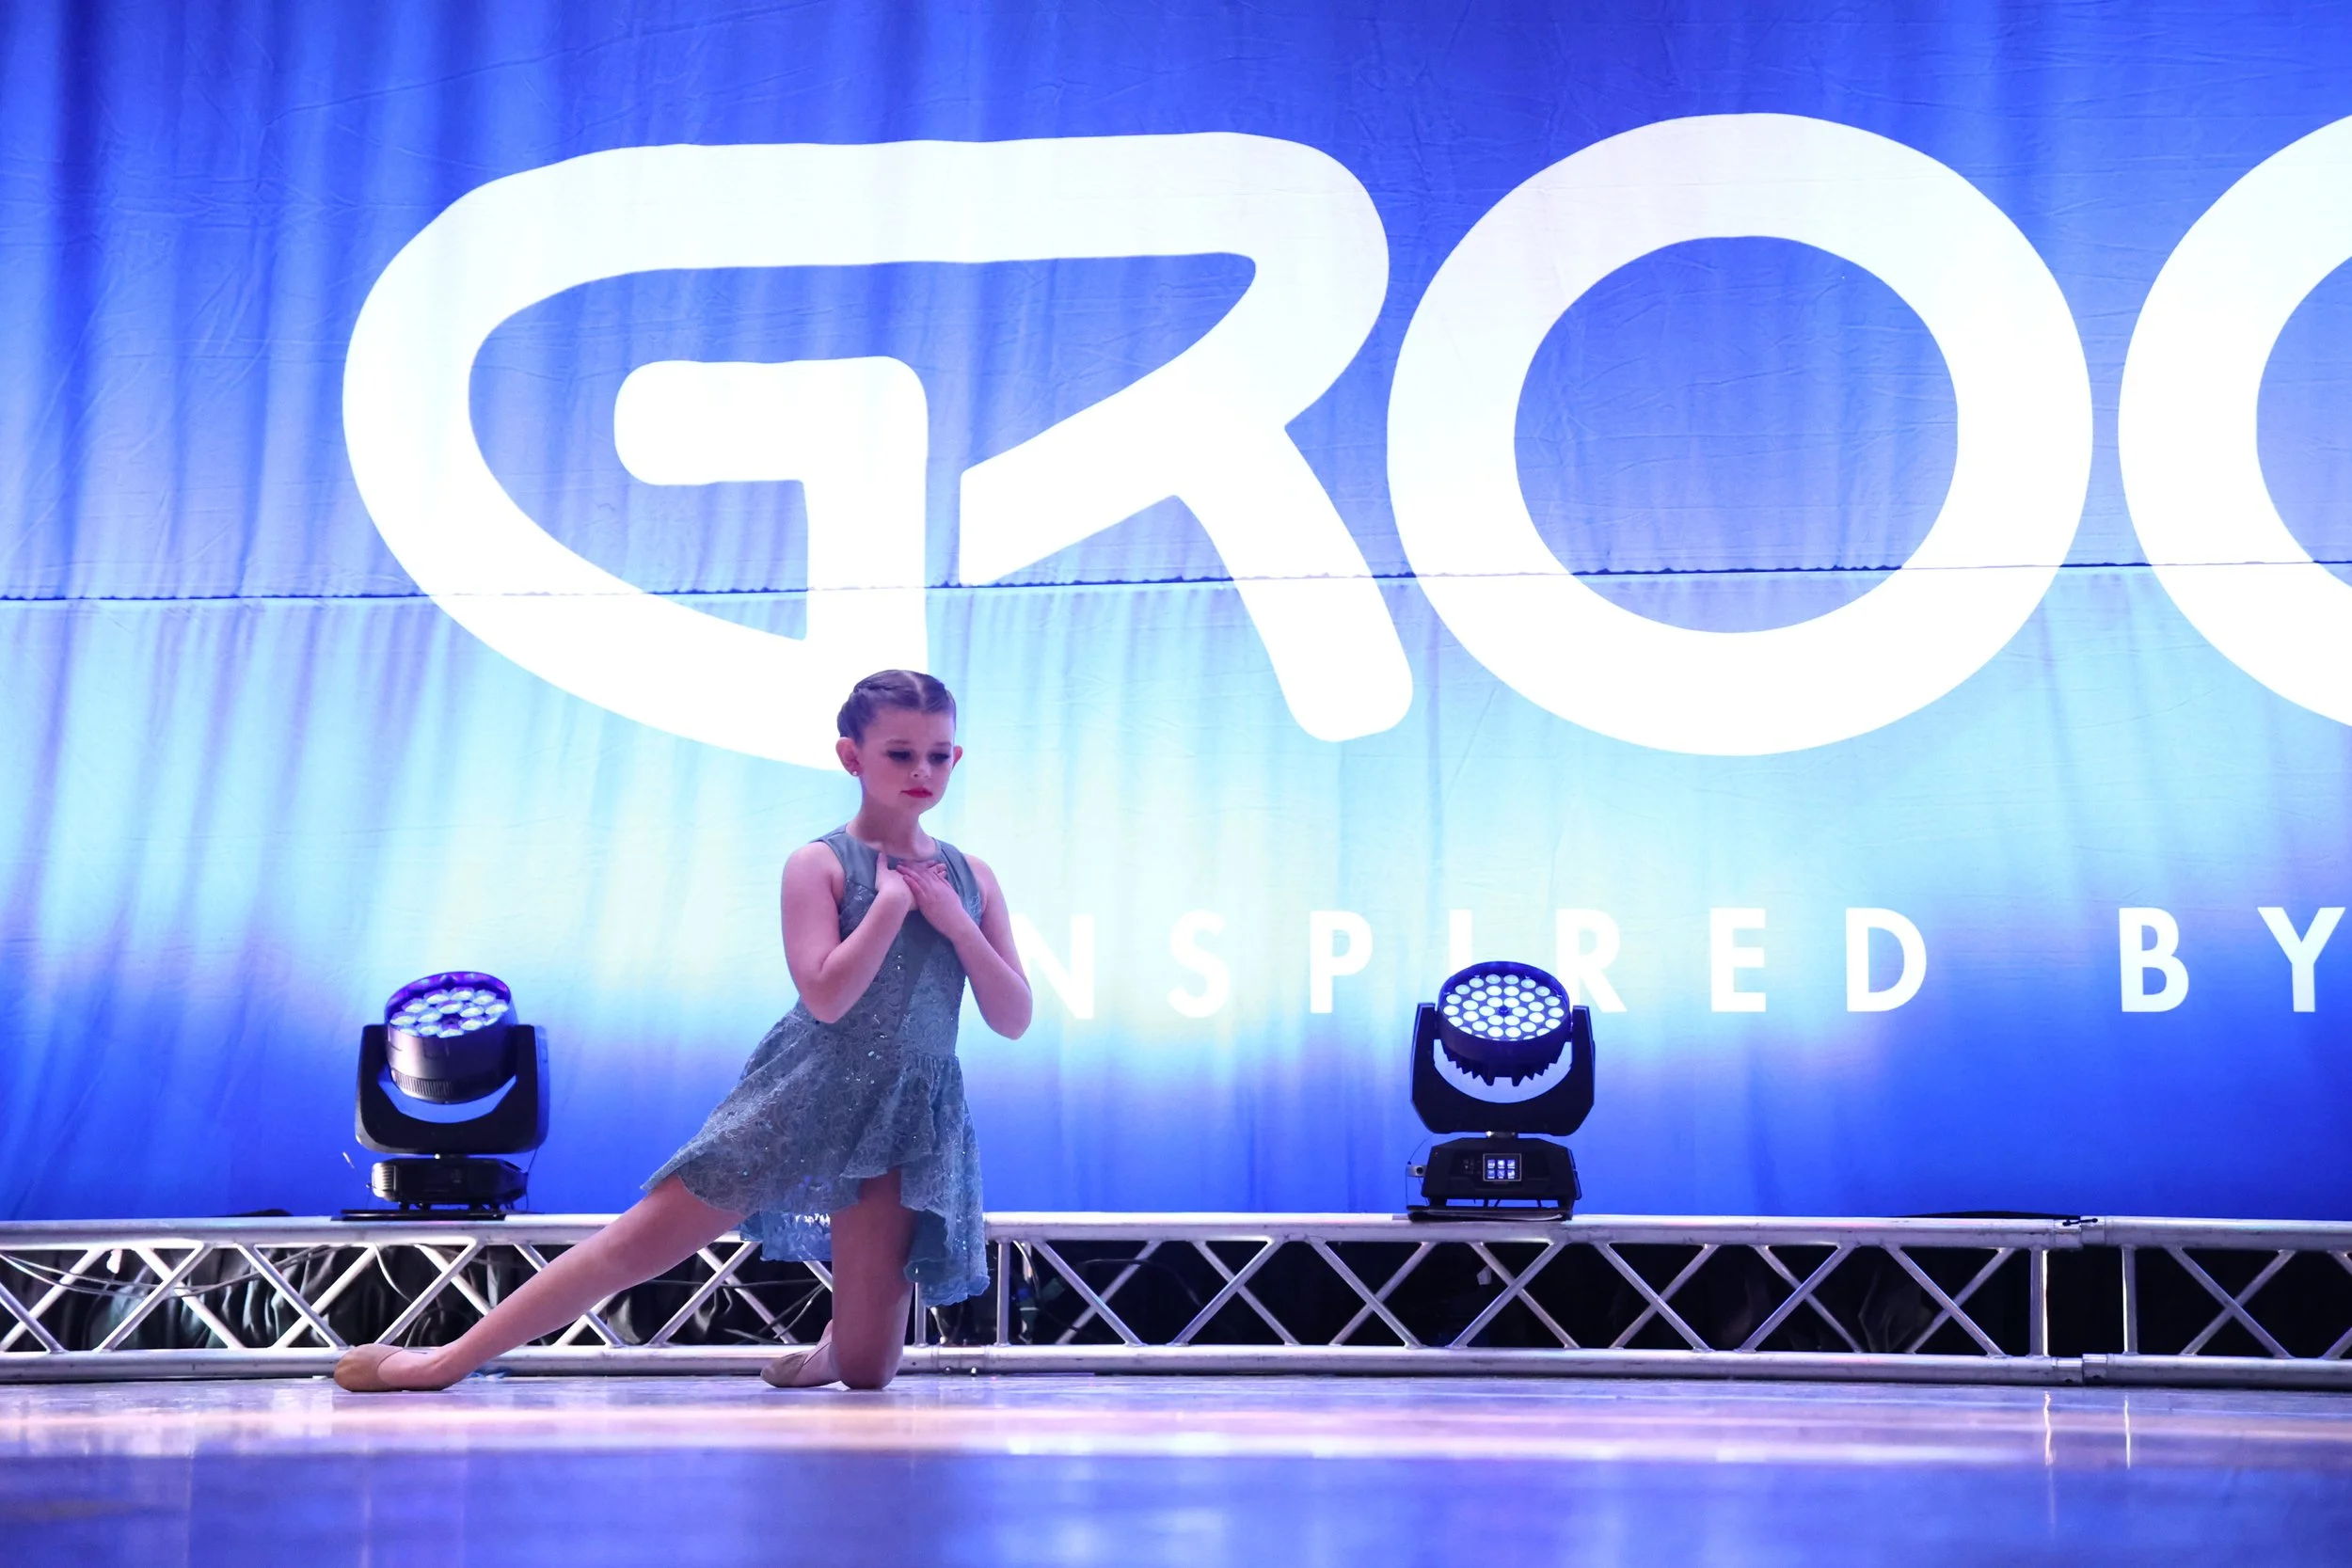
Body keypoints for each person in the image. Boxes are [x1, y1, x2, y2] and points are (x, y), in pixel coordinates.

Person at [334, 670, 1031, 1391]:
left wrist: (954, 921)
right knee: (636, 1243)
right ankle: (444, 1361)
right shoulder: (818, 863)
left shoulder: (969, 875)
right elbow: (827, 997)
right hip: (807, 1088)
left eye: (938, 754)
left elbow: (1012, 1017)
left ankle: (833, 1346)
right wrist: (888, 908)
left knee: (866, 1371)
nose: (922, 771)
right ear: (851, 756)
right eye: (899, 753)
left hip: (907, 1114)